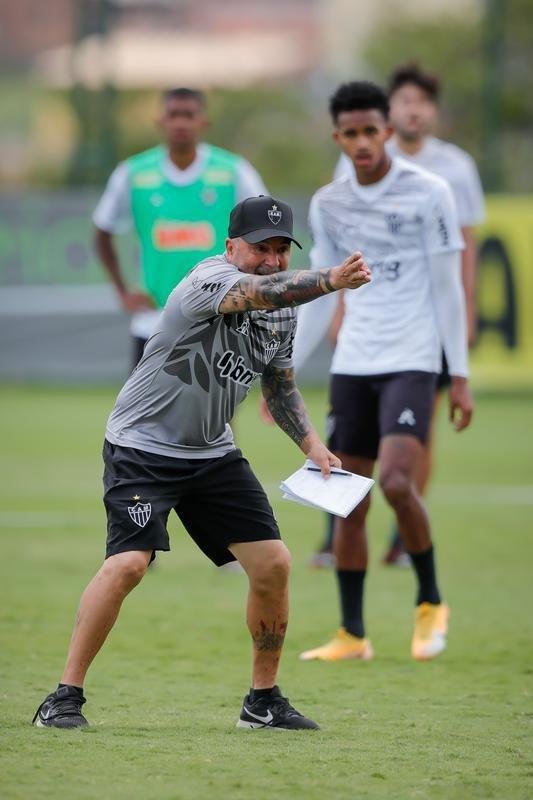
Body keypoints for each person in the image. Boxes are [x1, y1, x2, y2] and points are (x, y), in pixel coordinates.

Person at [32, 195, 371, 731]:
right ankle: (63, 696)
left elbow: (279, 384)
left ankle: (262, 702)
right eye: (262, 247)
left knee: (274, 563)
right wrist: (330, 280)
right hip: (141, 447)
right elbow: (259, 290)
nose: (273, 260)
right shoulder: (207, 282)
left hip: (212, 452)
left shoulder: (282, 310)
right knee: (128, 564)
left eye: (283, 249)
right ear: (231, 246)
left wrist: (311, 446)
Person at [293, 81, 473, 663]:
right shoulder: (330, 203)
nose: (363, 141)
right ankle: (352, 633)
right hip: (354, 364)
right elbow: (322, 293)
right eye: (352, 133)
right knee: (347, 499)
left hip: (414, 359)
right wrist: (286, 373)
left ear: (388, 130)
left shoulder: (430, 192)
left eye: (373, 130)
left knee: (396, 482)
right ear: (338, 137)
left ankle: (430, 603)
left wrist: (460, 374)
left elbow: (448, 287)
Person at [316, 63, 485, 567]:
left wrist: (466, 314)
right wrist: (338, 310)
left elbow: (464, 247)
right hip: (364, 333)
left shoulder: (449, 172)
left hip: (421, 329)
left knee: (411, 441)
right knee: (349, 456)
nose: (414, 109)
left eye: (421, 101)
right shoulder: (342, 182)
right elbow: (342, 257)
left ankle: (405, 537)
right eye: (405, 100)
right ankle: (339, 547)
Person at [93, 87, 268, 370]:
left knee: (214, 415)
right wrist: (122, 291)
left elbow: (265, 232)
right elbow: (102, 232)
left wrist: (247, 288)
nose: (181, 123)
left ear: (203, 122)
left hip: (217, 322)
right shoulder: (134, 173)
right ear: (160, 122)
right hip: (153, 322)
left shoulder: (232, 171)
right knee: (143, 414)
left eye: (189, 115)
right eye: (173, 115)